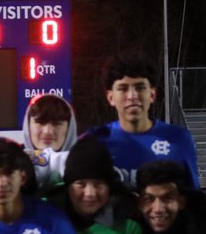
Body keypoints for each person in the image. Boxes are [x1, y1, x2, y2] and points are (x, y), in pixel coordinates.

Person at [83, 56, 199, 189]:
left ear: (152, 95)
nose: (132, 96)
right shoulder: (95, 140)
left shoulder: (179, 138)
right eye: (123, 88)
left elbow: (192, 197)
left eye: (140, 87)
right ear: (111, 98)